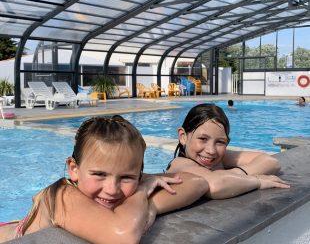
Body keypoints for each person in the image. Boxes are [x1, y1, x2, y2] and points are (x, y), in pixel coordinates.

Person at [0, 115, 207, 243]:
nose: (112, 189)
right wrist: (142, 193)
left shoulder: (127, 184)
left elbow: (197, 182)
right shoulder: (61, 197)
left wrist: (149, 206)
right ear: (74, 169)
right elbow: (123, 237)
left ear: (139, 175)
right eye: (99, 174)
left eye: (126, 177)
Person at [167, 103, 290, 200]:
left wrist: (234, 174)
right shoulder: (180, 164)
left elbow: (271, 161)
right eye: (203, 139)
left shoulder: (219, 158)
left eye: (220, 142)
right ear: (183, 136)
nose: (211, 150)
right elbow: (216, 185)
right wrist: (257, 181)